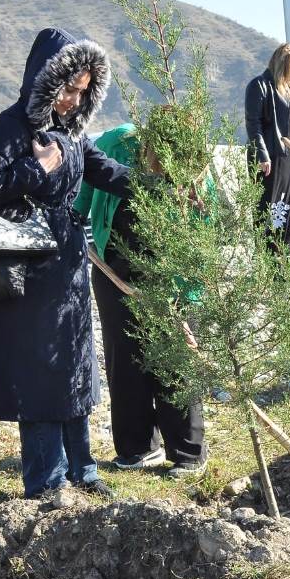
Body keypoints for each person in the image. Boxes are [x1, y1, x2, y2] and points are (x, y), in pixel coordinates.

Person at [0, 28, 129, 499]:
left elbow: (109, 173)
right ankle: (47, 480)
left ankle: (83, 470)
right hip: (28, 267)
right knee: (38, 372)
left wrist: (164, 185)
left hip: (69, 266)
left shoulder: (72, 132)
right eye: (67, 89)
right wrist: (38, 169)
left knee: (73, 364)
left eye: (82, 91)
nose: (73, 101)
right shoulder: (9, 127)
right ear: (45, 78)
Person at [73, 119, 209, 477]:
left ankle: (188, 452)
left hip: (173, 281)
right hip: (113, 271)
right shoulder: (119, 143)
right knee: (125, 361)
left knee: (175, 363)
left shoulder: (195, 166)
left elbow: (204, 229)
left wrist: (182, 290)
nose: (164, 172)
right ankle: (136, 448)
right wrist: (73, 217)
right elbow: (88, 183)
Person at [245, 43, 290, 256]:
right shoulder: (260, 85)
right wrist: (262, 154)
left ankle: (289, 261)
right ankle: (271, 264)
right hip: (274, 160)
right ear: (284, 63)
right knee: (272, 208)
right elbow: (253, 123)